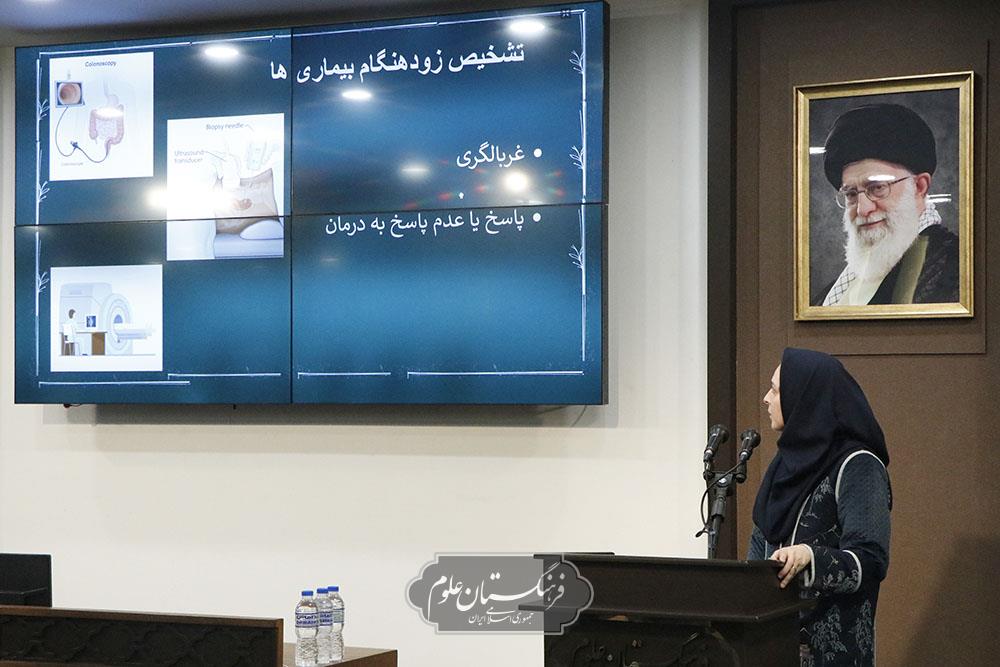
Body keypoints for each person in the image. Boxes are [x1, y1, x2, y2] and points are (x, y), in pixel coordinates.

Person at [748, 348, 891, 667]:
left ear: (804, 397)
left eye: (775, 390)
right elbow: (759, 546)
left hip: (833, 656)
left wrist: (810, 558)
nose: (766, 399)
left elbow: (871, 560)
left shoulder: (859, 466)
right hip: (770, 649)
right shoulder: (782, 467)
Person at [813, 103, 959, 306]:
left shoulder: (955, 268)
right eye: (851, 194)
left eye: (877, 188)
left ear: (919, 186)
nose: (863, 209)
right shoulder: (837, 288)